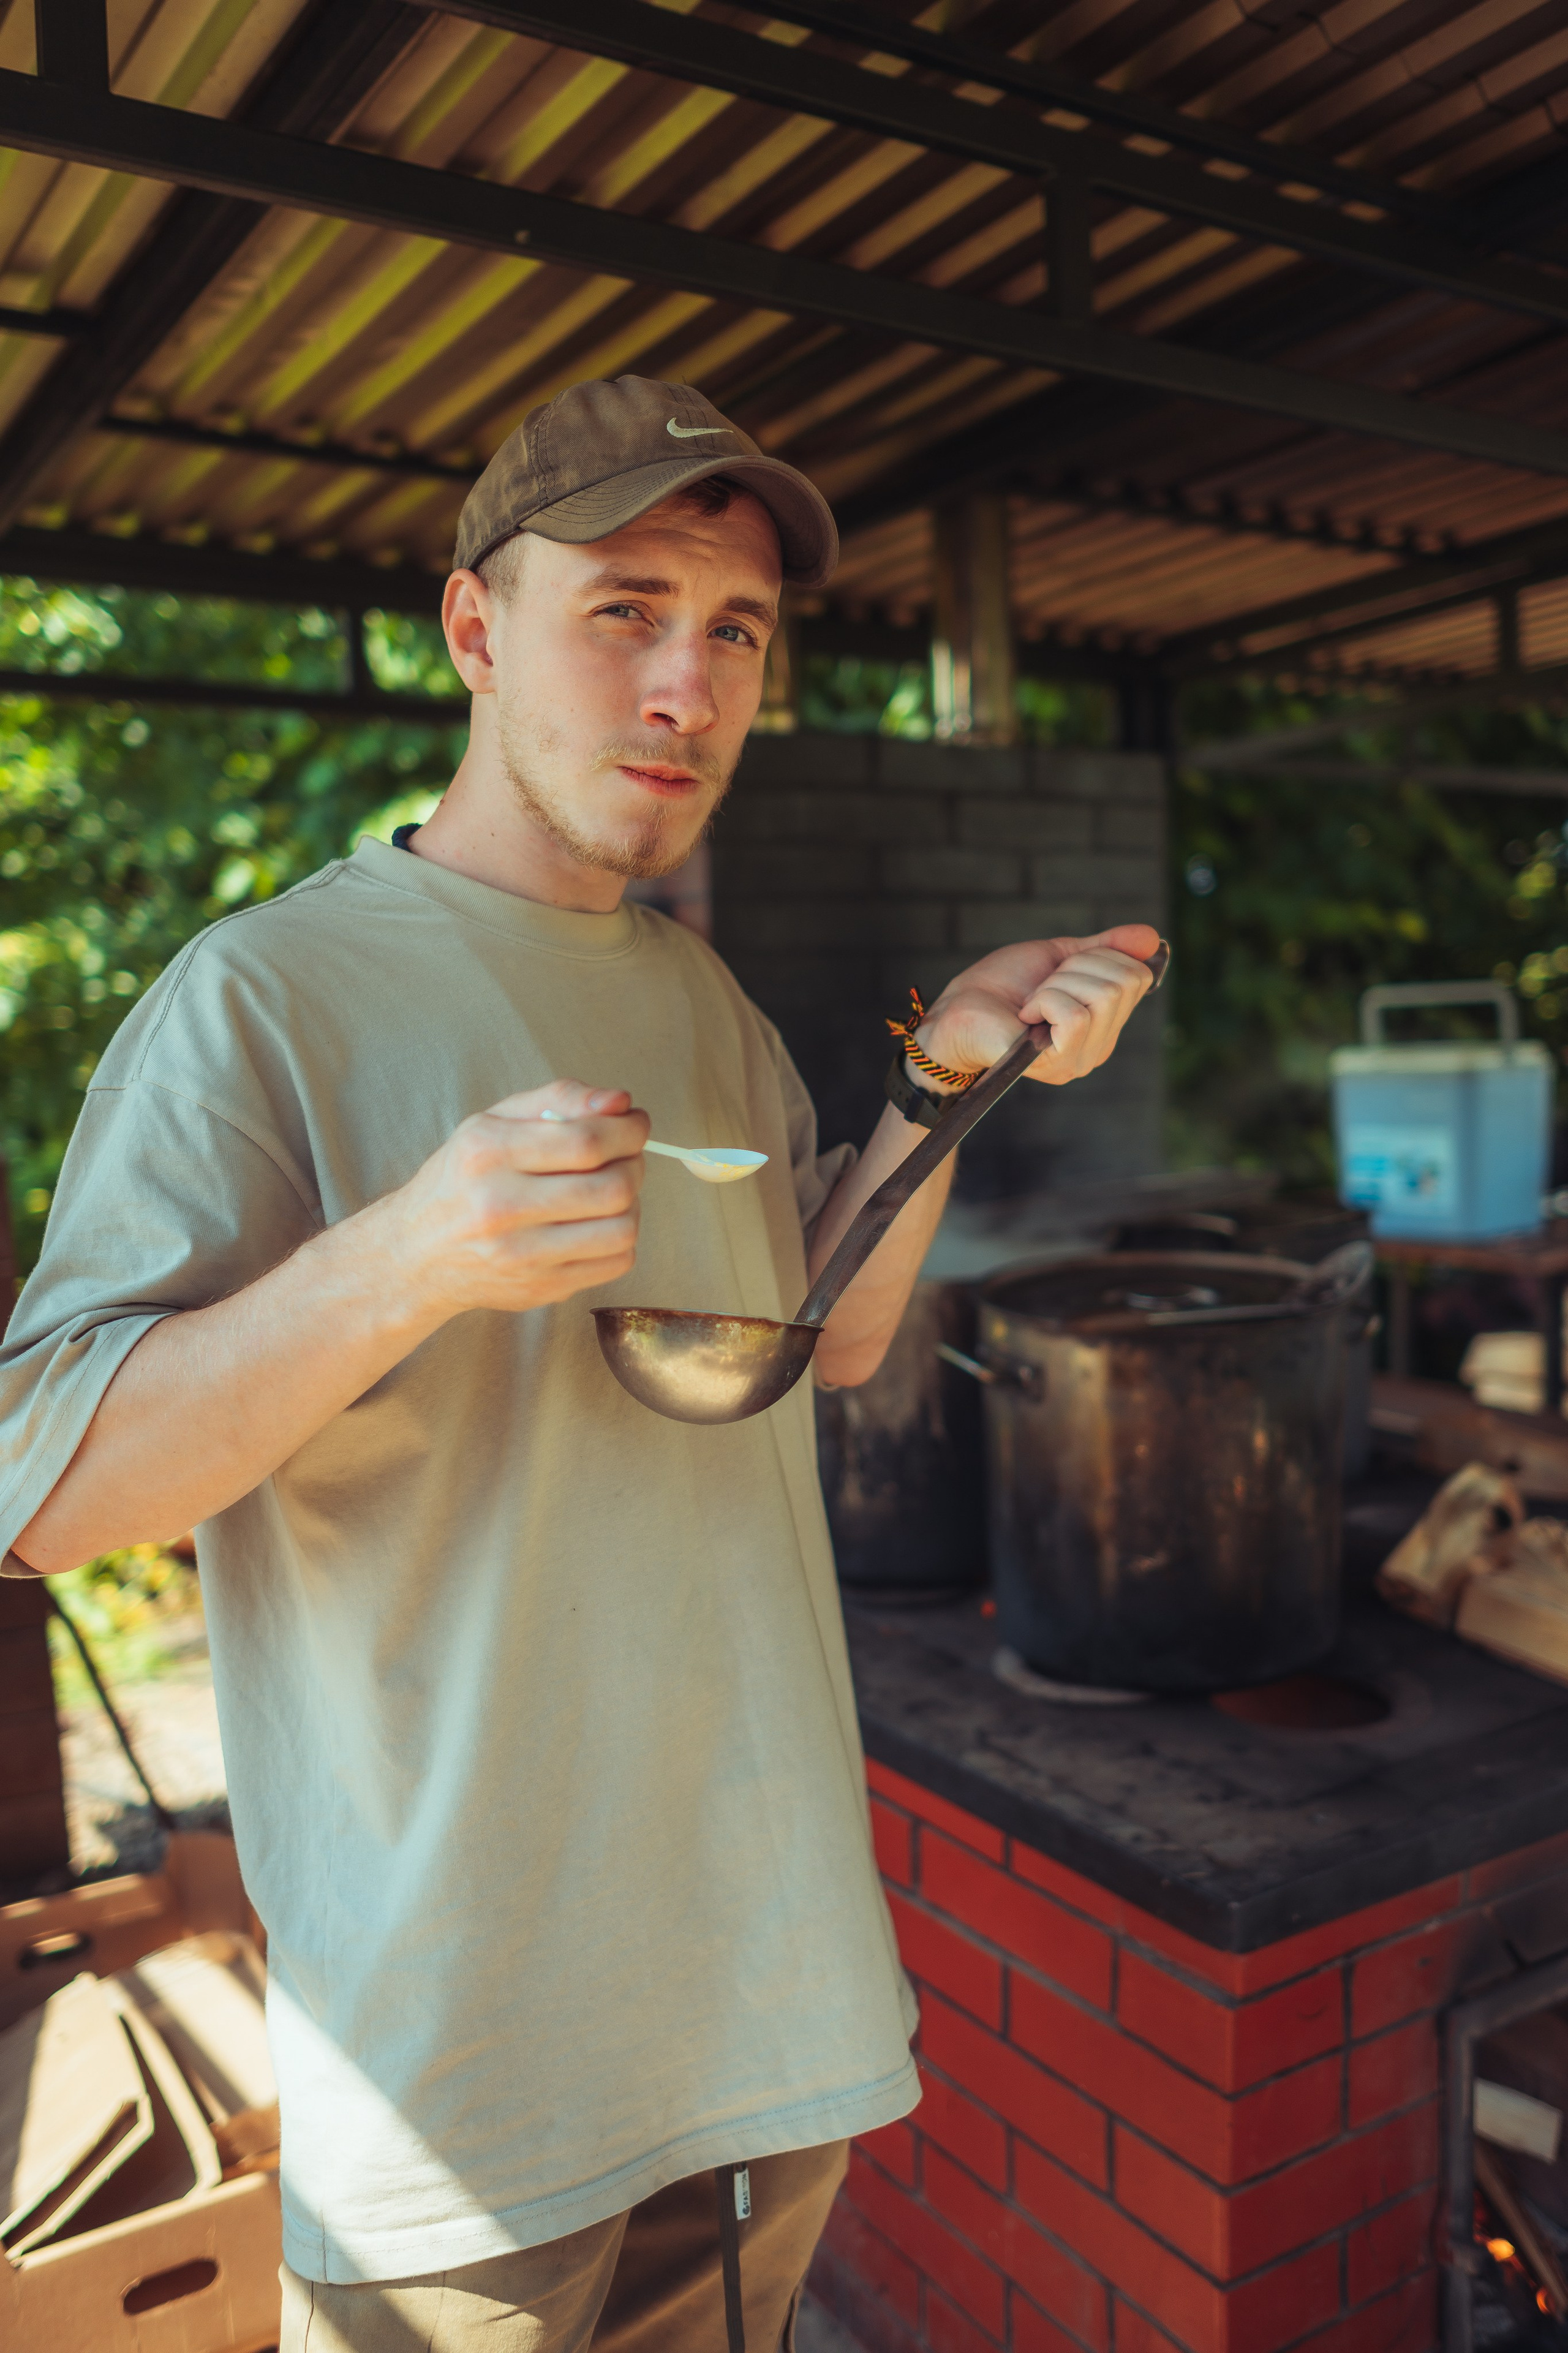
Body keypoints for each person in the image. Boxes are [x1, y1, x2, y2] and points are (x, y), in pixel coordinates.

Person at [0, 375, 1158, 2352]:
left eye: (736, 632)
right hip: (472, 2077)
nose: (686, 687)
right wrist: (402, 1258)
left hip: (769, 2000)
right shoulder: (258, 999)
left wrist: (940, 1088)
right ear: (475, 628)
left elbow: (816, 1334)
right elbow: (42, 1485)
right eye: (624, 610)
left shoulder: (704, 997)